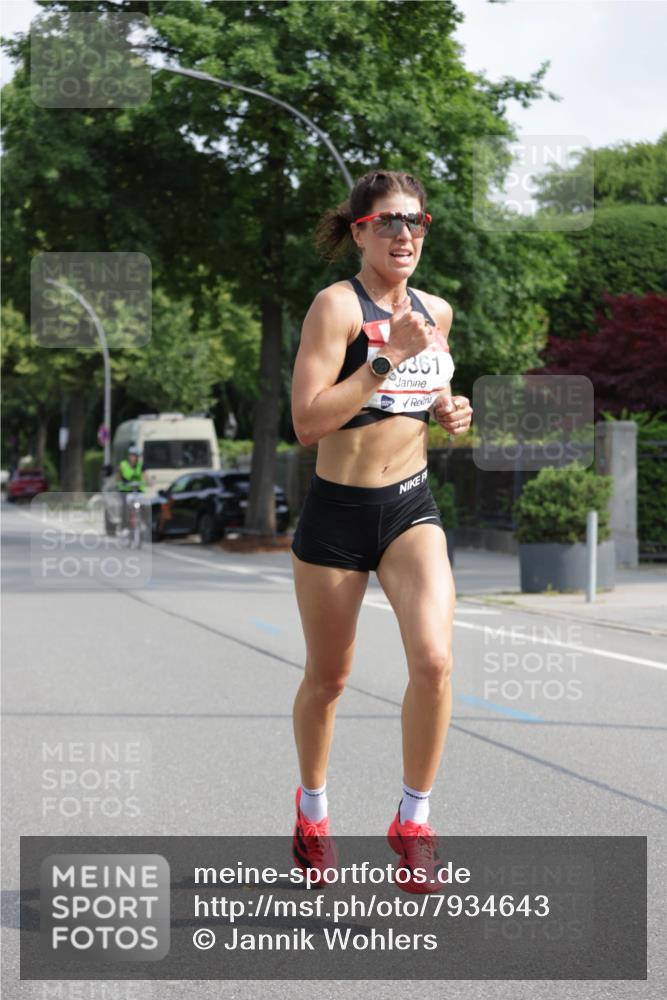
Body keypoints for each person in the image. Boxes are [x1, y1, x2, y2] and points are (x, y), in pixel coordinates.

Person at [289, 170, 473, 894]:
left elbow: (428, 393)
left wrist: (448, 411)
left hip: (408, 508)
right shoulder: (334, 308)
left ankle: (414, 819)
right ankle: (311, 813)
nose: (405, 235)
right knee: (328, 679)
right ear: (359, 230)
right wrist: (387, 354)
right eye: (389, 222)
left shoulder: (438, 311)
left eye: (416, 222)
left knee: (433, 661)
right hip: (335, 513)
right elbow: (306, 423)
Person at [116, 445, 145, 529]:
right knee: (125, 508)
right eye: (132, 455)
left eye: (135, 456)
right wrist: (122, 480)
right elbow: (118, 476)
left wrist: (149, 482)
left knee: (143, 504)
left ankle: (142, 521)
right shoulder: (123, 464)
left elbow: (145, 477)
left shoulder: (140, 465)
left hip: (137, 490)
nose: (133, 458)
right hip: (125, 490)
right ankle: (124, 526)